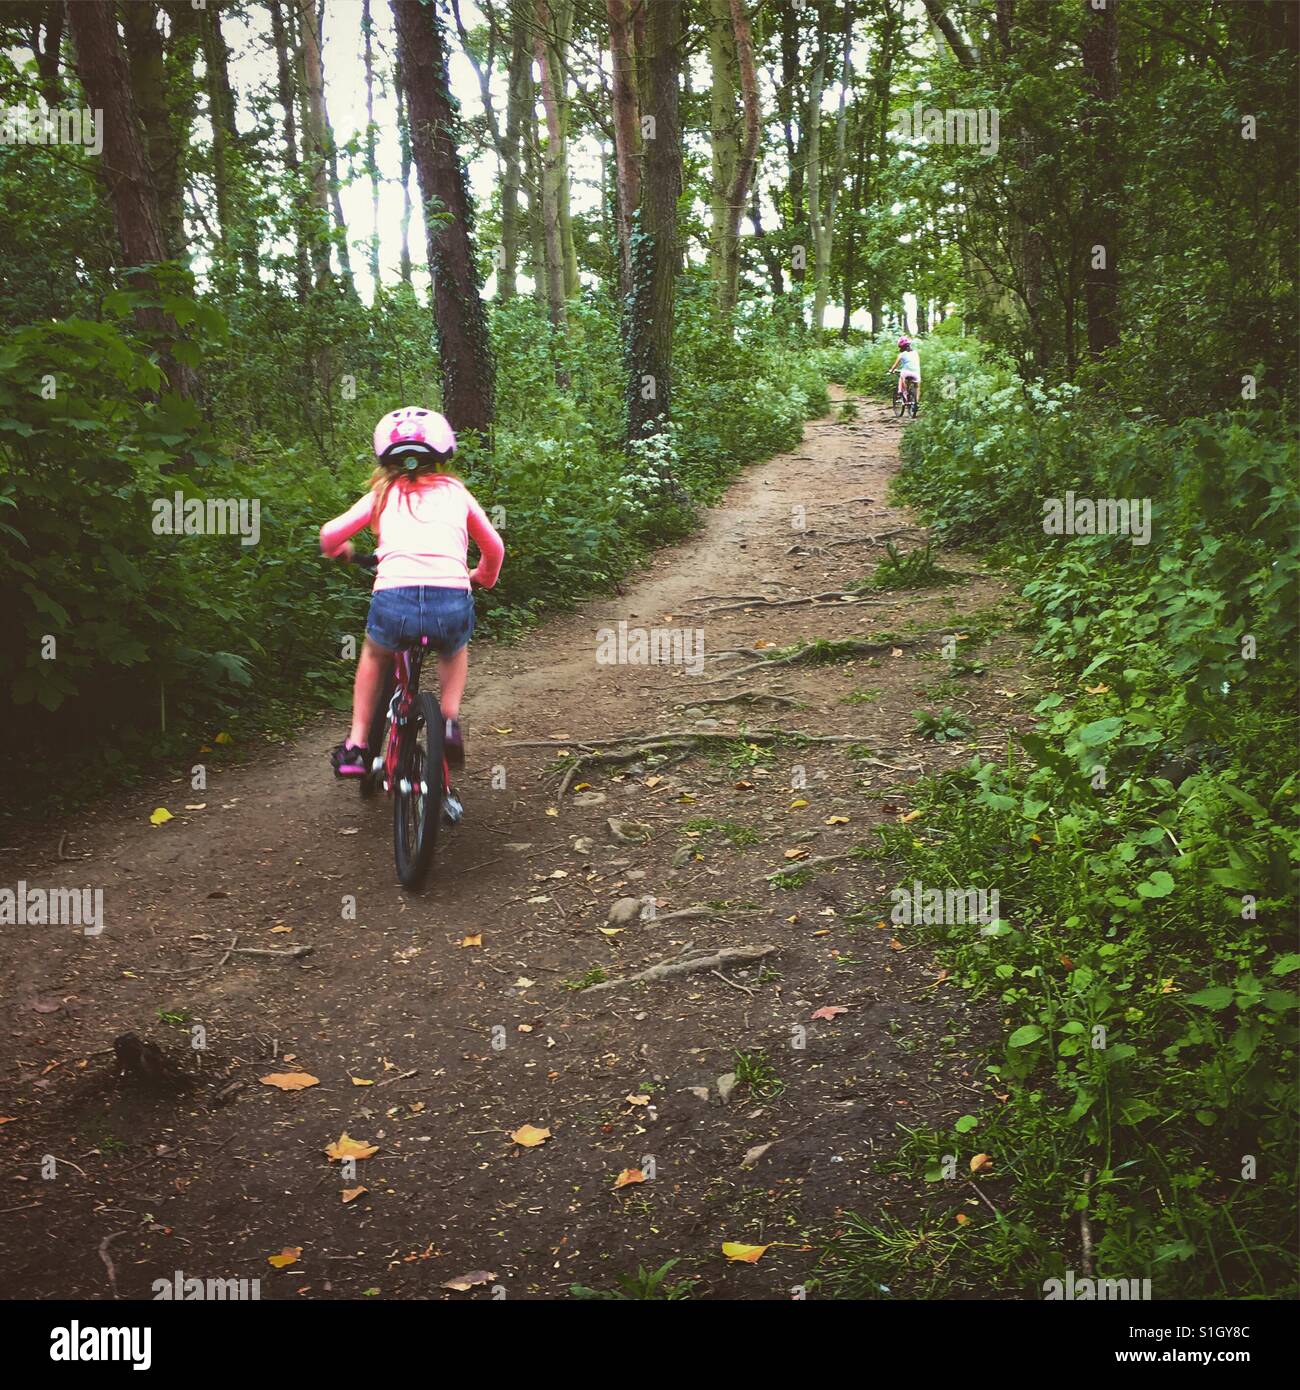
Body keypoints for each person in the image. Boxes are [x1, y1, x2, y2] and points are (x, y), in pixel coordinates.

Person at [318, 406, 504, 778]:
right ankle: (449, 719)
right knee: (453, 647)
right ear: (442, 455)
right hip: (449, 598)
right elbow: (494, 547)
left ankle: (356, 745)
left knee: (373, 653)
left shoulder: (382, 494)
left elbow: (328, 535)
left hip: (394, 601)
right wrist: (483, 577)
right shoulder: (457, 493)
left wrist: (339, 551)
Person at [889, 336, 921, 409]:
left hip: (906, 373)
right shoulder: (915, 352)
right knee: (917, 387)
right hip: (916, 373)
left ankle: (902, 392)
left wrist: (891, 370)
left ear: (900, 346)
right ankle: (916, 403)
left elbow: (895, 365)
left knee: (901, 376)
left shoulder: (902, 354)